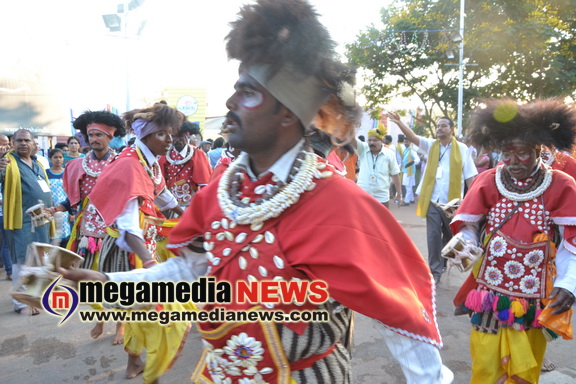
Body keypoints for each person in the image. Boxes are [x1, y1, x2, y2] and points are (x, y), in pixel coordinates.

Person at [61, 1, 453, 383]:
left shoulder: (339, 204)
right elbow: (189, 270)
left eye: (248, 92)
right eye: (235, 89)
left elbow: (398, 316)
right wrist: (107, 285)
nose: (230, 103)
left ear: (287, 112)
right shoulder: (219, 195)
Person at [449, 98, 576, 383]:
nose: (512, 161)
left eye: (521, 153)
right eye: (506, 153)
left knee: (525, 370)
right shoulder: (488, 180)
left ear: (538, 150)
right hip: (489, 295)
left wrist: (570, 285)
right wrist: (465, 243)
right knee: (485, 365)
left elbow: (572, 243)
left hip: (533, 299)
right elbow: (469, 225)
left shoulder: (562, 185)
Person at [87, 104, 187, 382]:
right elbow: (129, 229)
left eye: (171, 134)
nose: (170, 140)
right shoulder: (130, 165)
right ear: (146, 136)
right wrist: (151, 264)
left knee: (143, 311)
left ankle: (136, 360)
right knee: (145, 310)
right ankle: (136, 361)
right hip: (130, 249)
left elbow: (162, 192)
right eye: (163, 135)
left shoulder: (147, 160)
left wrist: (187, 217)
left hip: (144, 244)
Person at [51, 110, 126, 343]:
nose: (94, 139)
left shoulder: (123, 163)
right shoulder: (76, 166)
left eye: (100, 135)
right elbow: (72, 199)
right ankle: (100, 318)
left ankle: (121, 326)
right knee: (90, 281)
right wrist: (57, 209)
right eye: (91, 135)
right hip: (87, 233)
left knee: (117, 278)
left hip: (115, 231)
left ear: (110, 137)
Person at [388, 111, 477, 283]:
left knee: (449, 236)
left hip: (453, 203)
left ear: (451, 129)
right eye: (438, 125)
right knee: (433, 235)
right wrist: (399, 123)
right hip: (432, 200)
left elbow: (470, 176)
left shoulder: (462, 149)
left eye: (444, 125)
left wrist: (472, 201)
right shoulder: (431, 145)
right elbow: (413, 137)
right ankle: (434, 271)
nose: (439, 128)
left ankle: (442, 263)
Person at [0, 129, 53, 315]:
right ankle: (21, 303)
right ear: (12, 143)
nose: (23, 143)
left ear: (33, 143)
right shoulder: (7, 163)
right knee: (22, 260)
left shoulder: (37, 163)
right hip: (21, 220)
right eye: (19, 140)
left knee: (39, 259)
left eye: (26, 140)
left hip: (43, 220)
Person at [158, 120, 212, 215]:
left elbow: (204, 183)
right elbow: (160, 181)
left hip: (190, 203)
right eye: (174, 137)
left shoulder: (197, 154)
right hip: (171, 203)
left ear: (187, 137)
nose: (177, 140)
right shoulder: (165, 154)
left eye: (180, 137)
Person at [356, 128, 402, 207]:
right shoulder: (363, 148)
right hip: (362, 195)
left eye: (375, 140)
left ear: (382, 141)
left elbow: (395, 174)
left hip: (381, 197)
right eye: (369, 140)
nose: (371, 143)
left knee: (381, 219)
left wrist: (399, 194)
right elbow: (352, 139)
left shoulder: (389, 153)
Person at [46, 148, 71, 247]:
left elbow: (71, 192)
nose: (58, 160)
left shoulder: (67, 173)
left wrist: (71, 211)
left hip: (64, 208)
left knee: (64, 236)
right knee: (52, 236)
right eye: (55, 157)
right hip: (50, 208)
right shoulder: (46, 173)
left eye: (60, 157)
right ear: (49, 159)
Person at [0, 135, 12, 280]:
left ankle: (9, 271)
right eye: (2, 144)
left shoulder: (9, 161)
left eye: (7, 144)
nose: (5, 147)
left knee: (8, 242)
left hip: (6, 212)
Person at [399, 137, 421, 205]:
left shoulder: (411, 150)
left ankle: (406, 201)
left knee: (408, 186)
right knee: (409, 186)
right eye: (405, 142)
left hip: (410, 171)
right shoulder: (406, 150)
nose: (405, 143)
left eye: (407, 142)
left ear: (410, 142)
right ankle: (411, 199)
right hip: (405, 170)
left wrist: (413, 162)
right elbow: (403, 161)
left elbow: (417, 159)